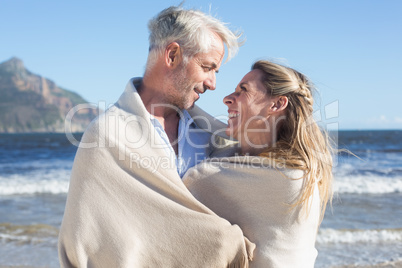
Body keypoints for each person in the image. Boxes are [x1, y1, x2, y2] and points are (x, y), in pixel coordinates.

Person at [58, 5, 255, 268]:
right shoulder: (106, 134)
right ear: (172, 55)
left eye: (215, 71)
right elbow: (84, 241)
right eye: (207, 67)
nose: (212, 83)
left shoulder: (215, 135)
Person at [183, 60, 334, 267]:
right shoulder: (297, 166)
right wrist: (181, 102)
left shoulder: (287, 177)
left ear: (277, 104)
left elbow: (194, 182)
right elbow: (219, 133)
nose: (227, 99)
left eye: (243, 90)